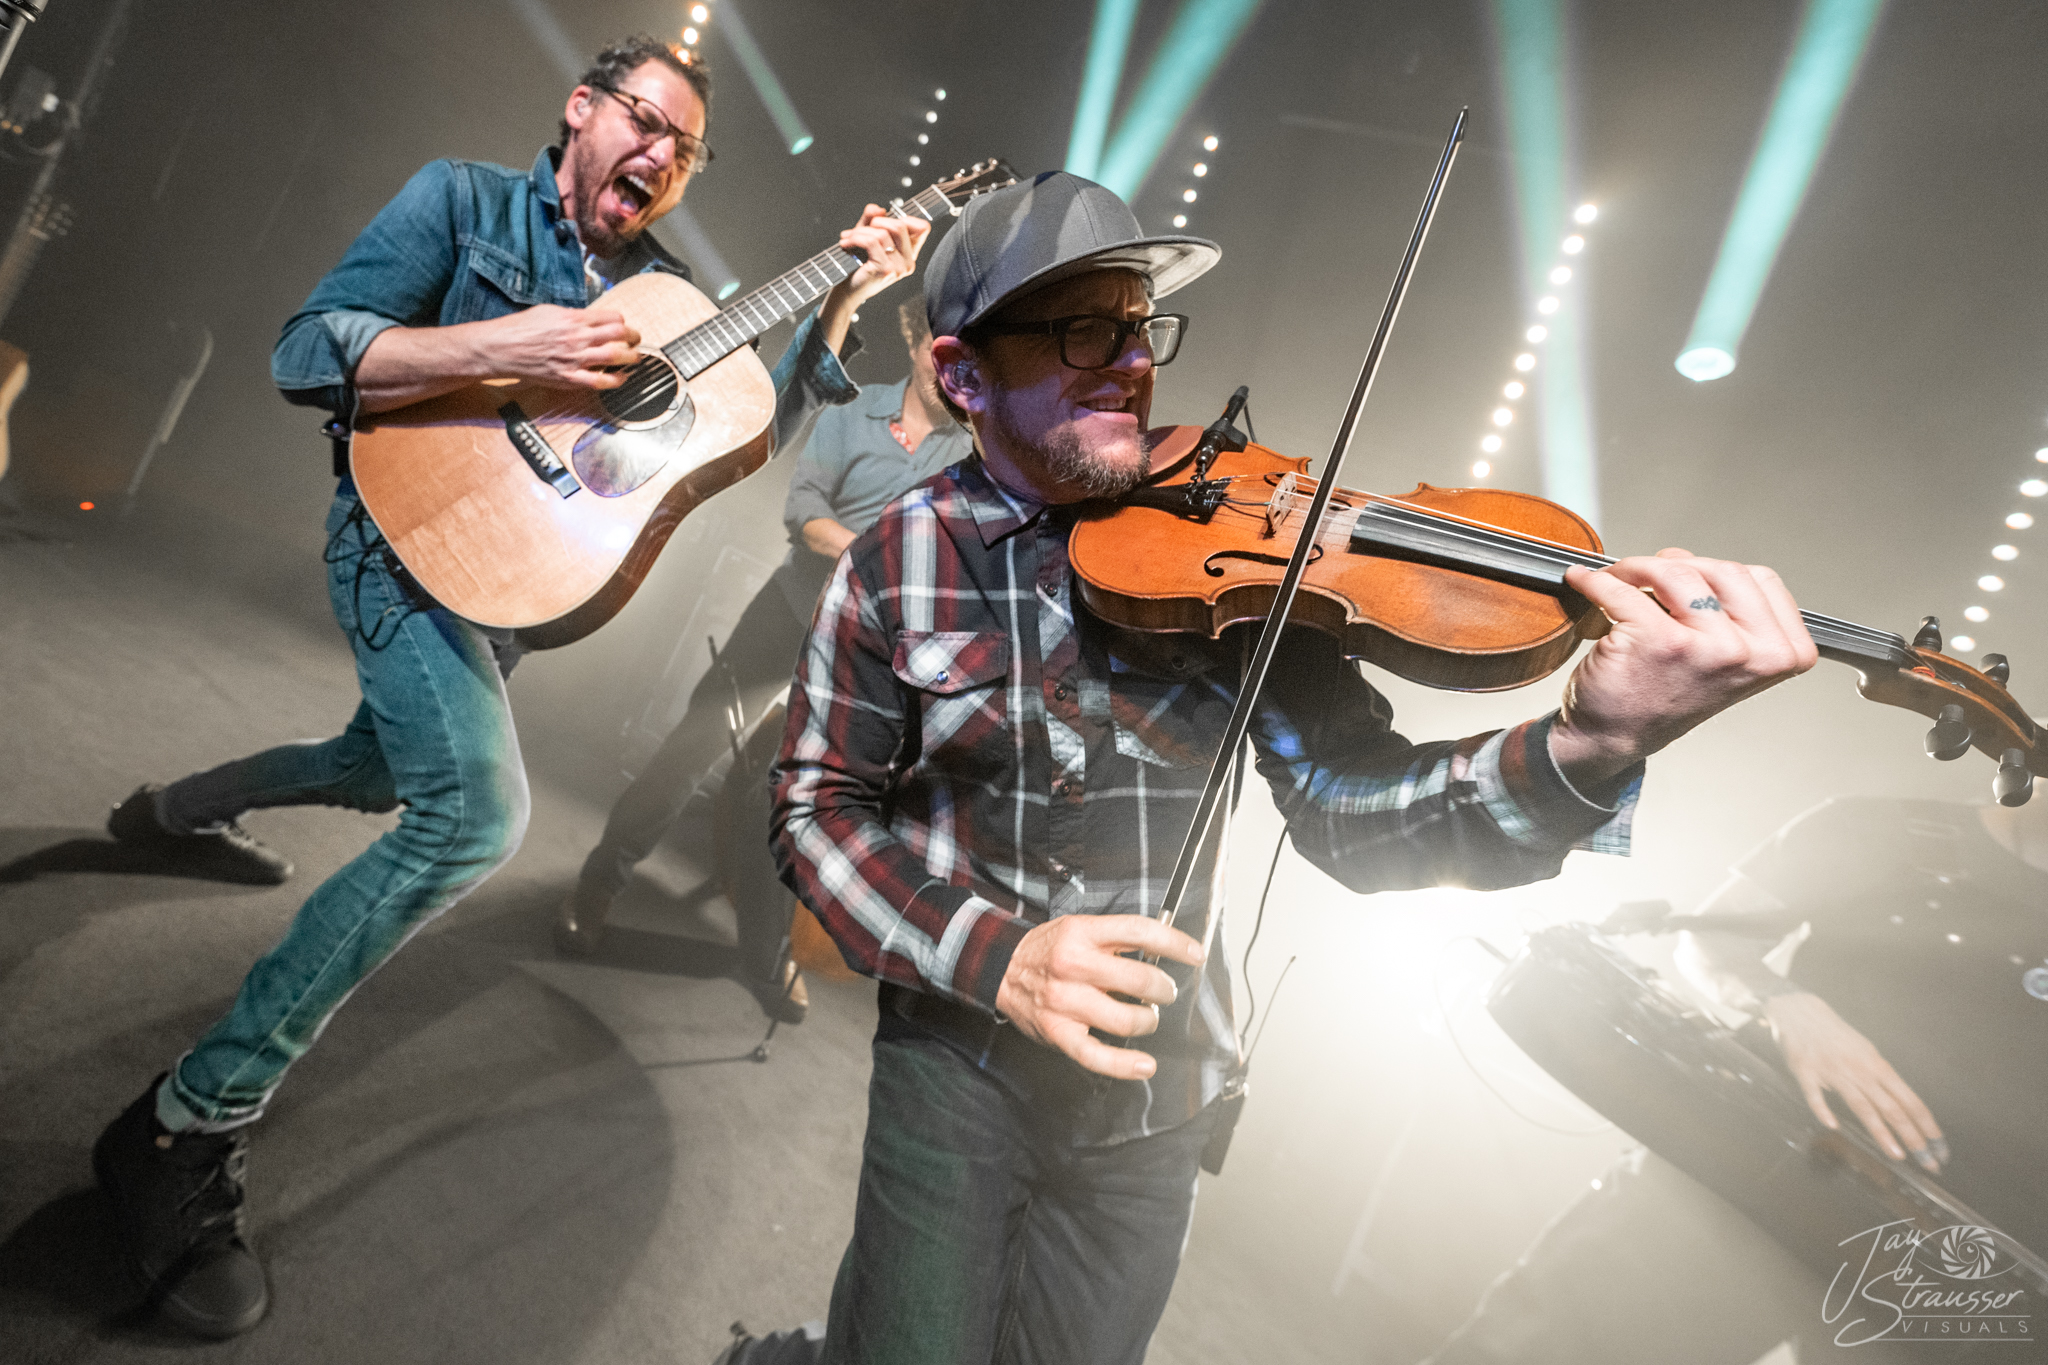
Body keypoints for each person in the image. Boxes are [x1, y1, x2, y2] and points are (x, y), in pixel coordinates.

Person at [720, 170, 1818, 1365]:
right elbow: (817, 808)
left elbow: (1351, 811)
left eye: (1137, 324)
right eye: (1080, 329)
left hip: (1157, 1093)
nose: (1129, 362)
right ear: (966, 373)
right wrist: (1002, 959)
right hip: (956, 1067)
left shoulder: (1228, 550)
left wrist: (1587, 748)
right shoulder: (892, 561)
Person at [89, 34, 929, 1340]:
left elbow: (752, 408)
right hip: (397, 534)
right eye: (642, 121)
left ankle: (169, 809)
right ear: (580, 110)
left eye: (684, 148)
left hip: (510, 592)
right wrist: (506, 349)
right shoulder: (461, 201)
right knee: (475, 810)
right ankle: (177, 1127)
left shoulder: (664, 295)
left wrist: (845, 293)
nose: (658, 155)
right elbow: (308, 350)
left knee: (380, 763)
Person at [1424, 792, 2048, 1364]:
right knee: (1541, 1342)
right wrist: (1788, 1004)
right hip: (1749, 1154)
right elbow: (1708, 946)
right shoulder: (1884, 827)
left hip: (1936, 1257)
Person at [556, 296, 973, 1024]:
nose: (949, 368)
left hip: (858, 652)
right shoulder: (852, 410)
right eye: (941, 345)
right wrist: (878, 554)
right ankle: (598, 882)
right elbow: (805, 517)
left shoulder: (967, 459)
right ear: (915, 338)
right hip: (785, 615)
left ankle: (765, 954)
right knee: (688, 755)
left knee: (801, 803)